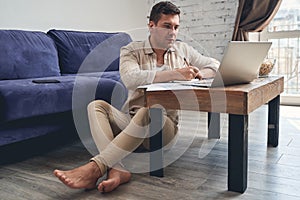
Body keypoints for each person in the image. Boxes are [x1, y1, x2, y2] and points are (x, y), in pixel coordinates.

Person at [53, 1, 220, 193]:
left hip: (163, 129)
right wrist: (175, 74)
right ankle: (118, 169)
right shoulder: (131, 50)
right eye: (167, 26)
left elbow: (214, 65)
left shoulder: (182, 50)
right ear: (151, 25)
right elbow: (131, 79)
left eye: (176, 27)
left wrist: (199, 73)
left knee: (149, 110)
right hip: (130, 124)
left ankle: (96, 167)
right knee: (95, 106)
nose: (173, 32)